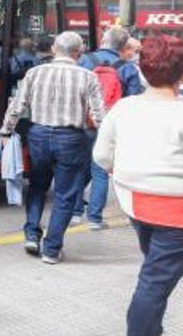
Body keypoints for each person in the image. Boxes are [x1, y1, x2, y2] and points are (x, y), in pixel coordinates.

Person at [93, 34, 183, 336]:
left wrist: (124, 171)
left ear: (142, 69)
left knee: (154, 278)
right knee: (153, 285)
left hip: (136, 206)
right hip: (177, 215)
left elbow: (102, 156)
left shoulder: (124, 108)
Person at [0, 31, 105, 264]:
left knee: (37, 185)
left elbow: (17, 106)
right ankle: (51, 249)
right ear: (79, 52)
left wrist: (7, 131)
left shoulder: (34, 73)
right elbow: (99, 115)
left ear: (55, 49)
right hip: (71, 138)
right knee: (66, 194)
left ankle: (31, 234)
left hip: (38, 134)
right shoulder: (88, 77)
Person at [77, 27, 144, 231]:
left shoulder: (85, 61)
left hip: (84, 122)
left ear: (103, 40)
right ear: (124, 46)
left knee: (79, 167)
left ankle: (75, 210)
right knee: (100, 171)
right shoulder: (128, 68)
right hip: (110, 125)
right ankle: (95, 218)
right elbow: (134, 101)